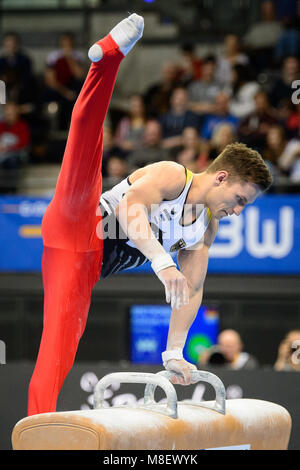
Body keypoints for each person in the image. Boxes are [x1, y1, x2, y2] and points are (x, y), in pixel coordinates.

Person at [27, 14, 272, 417]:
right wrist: (162, 263)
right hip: (83, 222)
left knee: (57, 353)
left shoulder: (204, 230)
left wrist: (174, 350)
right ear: (222, 176)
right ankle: (106, 58)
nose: (238, 211)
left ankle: (36, 431)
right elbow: (126, 208)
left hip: (82, 266)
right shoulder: (173, 176)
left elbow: (190, 290)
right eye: (241, 199)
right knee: (84, 147)